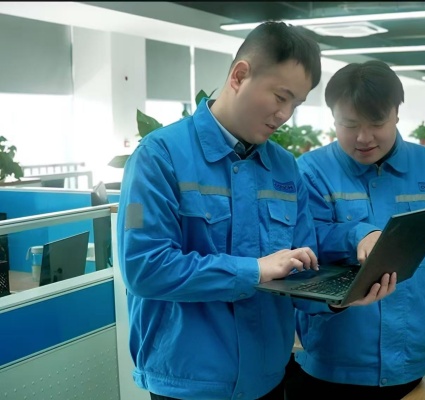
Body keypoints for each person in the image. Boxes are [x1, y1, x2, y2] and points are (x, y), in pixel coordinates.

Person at [117, 22, 396, 400]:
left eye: (296, 104)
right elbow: (145, 269)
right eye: (281, 97)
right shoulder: (158, 157)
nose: (285, 114)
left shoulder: (284, 168)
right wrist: (254, 270)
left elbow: (300, 272)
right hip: (191, 383)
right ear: (239, 75)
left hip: (268, 379)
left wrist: (340, 296)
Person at [285, 60, 425, 400]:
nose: (363, 137)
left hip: (410, 358)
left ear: (397, 114)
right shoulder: (310, 172)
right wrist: (356, 233)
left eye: (376, 123)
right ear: (333, 118)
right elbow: (302, 247)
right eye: (349, 124)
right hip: (333, 362)